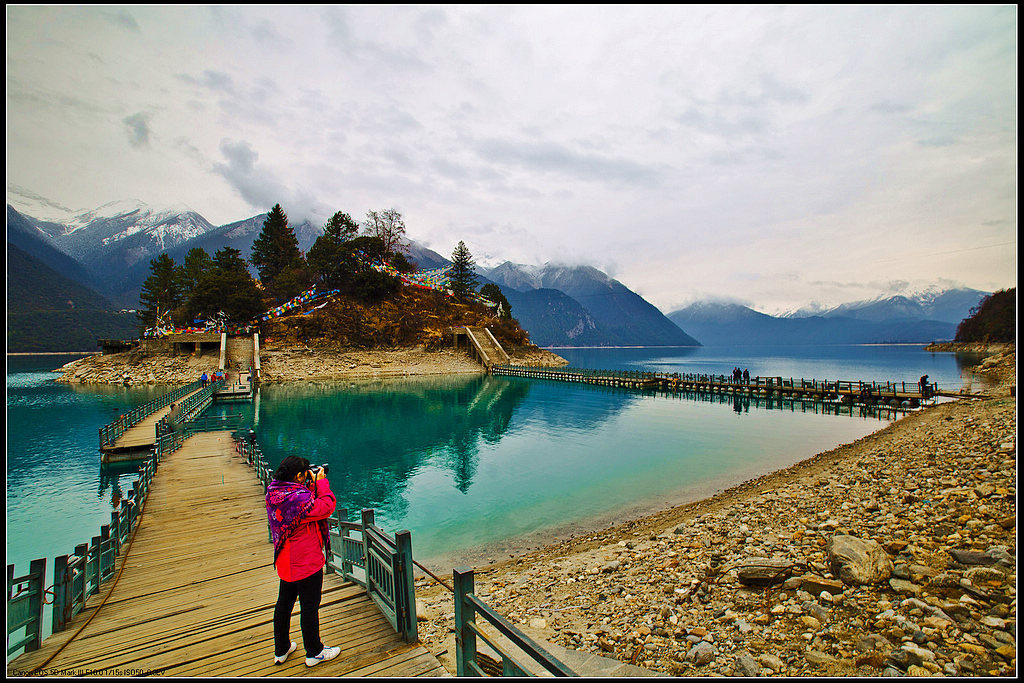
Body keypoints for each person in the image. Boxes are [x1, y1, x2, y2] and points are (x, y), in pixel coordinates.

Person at [265, 456, 340, 667]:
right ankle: (314, 652)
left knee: (284, 605)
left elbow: (305, 502)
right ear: (298, 476)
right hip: (306, 561)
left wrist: (310, 485)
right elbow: (326, 506)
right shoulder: (298, 500)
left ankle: (281, 649)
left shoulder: (275, 492)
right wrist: (321, 482)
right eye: (305, 472)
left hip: (285, 561)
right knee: (309, 607)